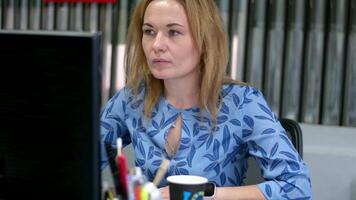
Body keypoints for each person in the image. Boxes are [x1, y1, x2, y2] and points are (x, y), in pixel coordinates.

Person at [100, 0, 312, 199]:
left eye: (173, 32)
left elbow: (296, 186)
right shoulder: (133, 98)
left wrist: (206, 194)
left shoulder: (242, 103)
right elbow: (79, 159)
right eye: (149, 31)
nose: (156, 44)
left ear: (204, 41)